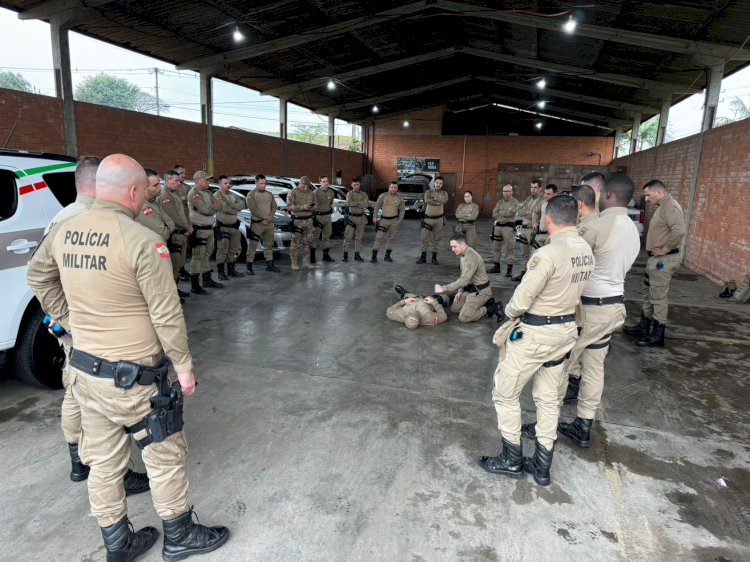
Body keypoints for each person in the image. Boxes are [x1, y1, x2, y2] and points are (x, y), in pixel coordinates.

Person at [26, 154, 229, 561]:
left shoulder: (66, 229)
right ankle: (179, 535)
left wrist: (68, 320)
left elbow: (37, 276)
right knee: (164, 452)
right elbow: (166, 313)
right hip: (134, 377)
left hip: (85, 371)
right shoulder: (139, 239)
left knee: (102, 461)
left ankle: (117, 544)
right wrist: (184, 368)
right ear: (134, 192)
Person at [34, 156, 150, 493]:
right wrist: (70, 320)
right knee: (91, 394)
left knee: (76, 389)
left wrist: (64, 317)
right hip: (92, 327)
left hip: (77, 322)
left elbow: (40, 277)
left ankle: (80, 461)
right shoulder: (85, 218)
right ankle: (104, 466)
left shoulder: (62, 217)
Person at [479, 194, 594, 487]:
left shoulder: (548, 253)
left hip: (536, 334)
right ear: (576, 218)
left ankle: (511, 459)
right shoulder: (585, 249)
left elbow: (522, 299)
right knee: (547, 399)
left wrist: (509, 312)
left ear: (548, 220)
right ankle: (542, 466)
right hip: (565, 333)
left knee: (505, 394)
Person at [523, 175, 640, 449]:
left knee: (559, 366)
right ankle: (583, 423)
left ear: (607, 195)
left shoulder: (598, 226)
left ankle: (544, 426)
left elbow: (569, 260)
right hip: (613, 306)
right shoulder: (632, 228)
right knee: (594, 368)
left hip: (590, 308)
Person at [623, 179, 686, 347]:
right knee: (648, 293)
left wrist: (665, 249)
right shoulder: (662, 206)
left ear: (660, 192)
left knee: (658, 297)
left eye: (648, 195)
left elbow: (680, 230)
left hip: (663, 260)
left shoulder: (670, 207)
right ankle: (643, 328)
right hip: (655, 259)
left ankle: (657, 336)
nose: (646, 199)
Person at [434, 233, 503, 323]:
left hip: (481, 292)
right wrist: (460, 291)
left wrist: (443, 288)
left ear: (462, 245)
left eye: (454, 246)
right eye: (452, 247)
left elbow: (464, 280)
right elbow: (464, 276)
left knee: (463, 317)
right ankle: (479, 303)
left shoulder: (471, 257)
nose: (452, 249)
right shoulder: (463, 255)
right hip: (471, 291)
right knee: (455, 309)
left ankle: (490, 307)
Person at [188, 170, 223, 293]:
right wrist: (211, 209)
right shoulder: (194, 194)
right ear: (197, 181)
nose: (209, 182)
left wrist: (210, 209)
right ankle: (195, 284)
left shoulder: (208, 193)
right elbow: (206, 210)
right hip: (199, 229)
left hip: (209, 229)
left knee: (207, 255)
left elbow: (220, 206)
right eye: (206, 180)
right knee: (198, 256)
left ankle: (207, 279)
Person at [159, 170, 193, 299]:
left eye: (179, 180)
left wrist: (188, 226)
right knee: (174, 265)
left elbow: (184, 213)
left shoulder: (176, 194)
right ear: (168, 181)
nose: (179, 183)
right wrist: (187, 227)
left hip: (182, 234)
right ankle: (170, 295)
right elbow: (174, 216)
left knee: (180, 264)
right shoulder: (165, 196)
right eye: (176, 180)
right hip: (174, 235)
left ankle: (176, 290)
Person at [245, 173, 281, 274]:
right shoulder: (251, 194)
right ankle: (249, 266)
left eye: (265, 183)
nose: (263, 185)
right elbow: (253, 209)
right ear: (256, 183)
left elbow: (274, 206)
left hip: (269, 224)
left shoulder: (269, 194)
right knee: (253, 245)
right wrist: (264, 218)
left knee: (269, 245)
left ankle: (269, 265)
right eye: (261, 183)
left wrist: (270, 217)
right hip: (257, 224)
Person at [214, 175, 246, 280]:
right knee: (222, 250)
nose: (228, 185)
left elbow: (242, 204)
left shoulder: (232, 194)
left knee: (233, 249)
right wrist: (235, 208)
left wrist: (234, 207)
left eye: (229, 183)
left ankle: (231, 270)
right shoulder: (217, 195)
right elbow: (225, 208)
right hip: (223, 227)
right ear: (220, 184)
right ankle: (221, 272)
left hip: (234, 227)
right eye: (225, 183)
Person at [512, 179, 544, 281]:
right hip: (524, 229)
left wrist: (528, 212)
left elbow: (536, 214)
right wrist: (529, 212)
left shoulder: (542, 200)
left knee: (532, 255)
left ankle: (530, 277)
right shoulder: (529, 198)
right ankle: (523, 273)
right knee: (524, 253)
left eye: (535, 188)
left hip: (532, 230)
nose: (533, 190)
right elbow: (520, 212)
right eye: (531, 187)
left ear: (540, 189)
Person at [417, 175, 449, 264]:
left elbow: (444, 200)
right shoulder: (428, 192)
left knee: (436, 239)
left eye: (440, 183)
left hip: (439, 220)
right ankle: (423, 257)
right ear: (434, 183)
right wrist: (439, 201)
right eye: (437, 183)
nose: (438, 185)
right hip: (428, 219)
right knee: (424, 238)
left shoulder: (444, 193)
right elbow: (427, 200)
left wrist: (434, 198)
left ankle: (434, 258)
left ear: (442, 184)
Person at [287, 175, 317, 270]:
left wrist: (312, 208)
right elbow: (289, 207)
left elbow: (316, 205)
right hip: (297, 221)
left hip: (308, 220)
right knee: (295, 243)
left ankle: (306, 263)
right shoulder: (293, 192)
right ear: (300, 183)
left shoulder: (311, 193)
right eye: (304, 186)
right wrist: (302, 207)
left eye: (307, 186)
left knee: (307, 242)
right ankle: (294, 263)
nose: (306, 188)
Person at [371, 181, 406, 262]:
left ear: (397, 188)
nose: (393, 189)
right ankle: (374, 256)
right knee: (379, 238)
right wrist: (374, 217)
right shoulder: (383, 196)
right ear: (389, 187)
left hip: (394, 221)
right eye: (392, 187)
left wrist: (399, 221)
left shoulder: (399, 198)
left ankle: (387, 256)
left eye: (395, 187)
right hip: (383, 220)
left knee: (391, 239)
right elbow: (377, 207)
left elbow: (402, 210)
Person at [136, 169, 174, 242]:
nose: (160, 187)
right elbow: (163, 233)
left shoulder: (154, 202)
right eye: (155, 185)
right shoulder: (143, 206)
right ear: (144, 188)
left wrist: (167, 227)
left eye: (159, 183)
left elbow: (171, 222)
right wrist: (167, 227)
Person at [490, 183, 518, 277]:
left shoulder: (514, 202)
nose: (506, 193)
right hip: (498, 227)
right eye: (504, 191)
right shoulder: (500, 202)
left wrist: (501, 213)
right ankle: (496, 267)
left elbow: (512, 213)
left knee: (510, 249)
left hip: (508, 228)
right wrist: (505, 212)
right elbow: (494, 214)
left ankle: (509, 270)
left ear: (512, 192)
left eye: (508, 191)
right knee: (496, 248)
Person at [172, 164, 192, 282]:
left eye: (184, 173)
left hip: (185, 225)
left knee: (184, 252)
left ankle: (182, 269)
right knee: (175, 255)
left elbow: (189, 208)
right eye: (181, 173)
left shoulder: (186, 188)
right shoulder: (170, 190)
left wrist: (188, 225)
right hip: (176, 227)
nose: (183, 175)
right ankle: (177, 274)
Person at [342, 177, 369, 262]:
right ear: (352, 185)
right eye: (354, 185)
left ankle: (357, 255)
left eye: (357, 184)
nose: (356, 186)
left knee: (359, 238)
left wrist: (355, 204)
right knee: (348, 237)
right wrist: (359, 203)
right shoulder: (349, 194)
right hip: (351, 218)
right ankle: (345, 255)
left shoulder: (364, 194)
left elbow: (366, 205)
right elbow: (348, 203)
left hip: (361, 218)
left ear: (359, 184)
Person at [312, 174, 336, 263]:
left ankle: (326, 255)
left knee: (327, 236)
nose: (326, 183)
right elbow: (312, 205)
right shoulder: (316, 192)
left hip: (327, 217)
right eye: (324, 181)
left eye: (327, 181)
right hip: (318, 217)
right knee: (315, 236)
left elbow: (330, 203)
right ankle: (312, 256)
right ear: (320, 182)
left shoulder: (331, 192)